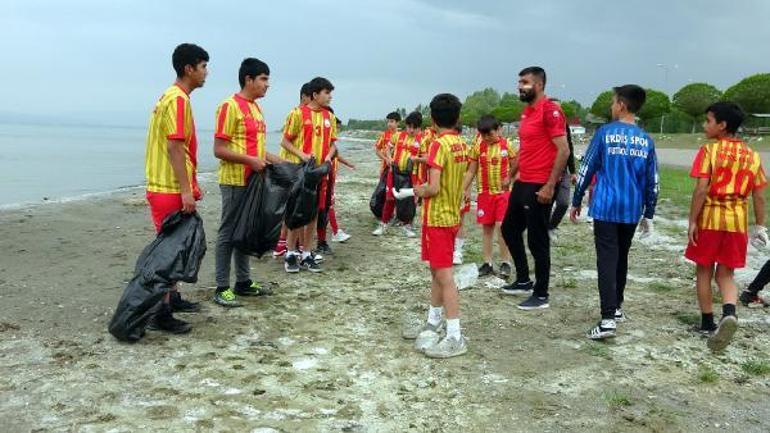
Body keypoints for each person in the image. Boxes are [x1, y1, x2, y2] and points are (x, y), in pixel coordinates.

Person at [570, 85, 658, 340]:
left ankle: (607, 319)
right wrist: (649, 213)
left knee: (607, 259)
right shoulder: (645, 139)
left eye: (612, 102)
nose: (611, 107)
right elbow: (653, 180)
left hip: (607, 208)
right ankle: (616, 306)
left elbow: (586, 168)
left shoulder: (604, 134)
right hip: (631, 209)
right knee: (621, 257)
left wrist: (577, 200)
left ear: (621, 104)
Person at [684, 101, 767, 352]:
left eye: (708, 121)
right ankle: (729, 313)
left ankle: (707, 323)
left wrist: (692, 221)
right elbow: (759, 195)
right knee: (726, 274)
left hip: (710, 220)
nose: (704, 125)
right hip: (737, 224)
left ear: (722, 125)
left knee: (704, 272)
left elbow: (701, 190)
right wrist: (760, 226)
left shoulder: (709, 152)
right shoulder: (753, 156)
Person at [143, 43, 209, 333]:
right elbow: (174, 146)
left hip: (166, 185)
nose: (207, 72)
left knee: (177, 247)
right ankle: (161, 312)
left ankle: (174, 297)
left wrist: (191, 185)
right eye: (203, 66)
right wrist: (184, 190)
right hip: (167, 188)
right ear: (189, 69)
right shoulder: (178, 99)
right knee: (169, 251)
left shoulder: (169, 97)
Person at [211, 58, 282, 307]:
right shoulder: (229, 106)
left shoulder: (256, 109)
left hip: (255, 181)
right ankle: (221, 287)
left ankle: (243, 282)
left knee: (245, 231)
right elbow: (218, 149)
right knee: (228, 233)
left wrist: (282, 163)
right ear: (248, 79)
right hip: (234, 181)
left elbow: (259, 150)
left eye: (267, 79)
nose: (267, 85)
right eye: (263, 79)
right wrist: (249, 160)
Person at [500, 66, 570, 310]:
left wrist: (550, 185)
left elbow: (563, 150)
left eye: (525, 82)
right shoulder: (527, 112)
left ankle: (541, 294)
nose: (520, 86)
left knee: (538, 240)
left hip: (540, 183)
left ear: (539, 85)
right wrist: (510, 174)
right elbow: (525, 147)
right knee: (509, 230)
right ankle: (523, 279)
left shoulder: (550, 110)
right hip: (523, 181)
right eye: (519, 82)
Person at [411, 93, 469, 358]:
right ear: (457, 118)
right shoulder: (460, 144)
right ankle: (433, 321)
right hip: (452, 216)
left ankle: (455, 335)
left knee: (445, 277)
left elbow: (433, 187)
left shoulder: (437, 145)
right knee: (436, 271)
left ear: (432, 120)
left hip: (437, 218)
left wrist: (417, 190)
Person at [279, 77, 338, 273]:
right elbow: (285, 142)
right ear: (315, 94)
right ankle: (289, 253)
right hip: (300, 172)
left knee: (314, 213)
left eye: (330, 93)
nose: (330, 97)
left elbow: (332, 144)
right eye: (326, 93)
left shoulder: (329, 117)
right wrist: (303, 155)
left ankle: (306, 253)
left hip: (320, 173)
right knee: (297, 212)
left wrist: (329, 157)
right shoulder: (297, 114)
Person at [462, 115, 515, 278]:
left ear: (498, 129)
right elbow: (471, 170)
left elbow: (517, 168)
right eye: (483, 135)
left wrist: (511, 179)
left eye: (489, 134)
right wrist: (464, 189)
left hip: (503, 194)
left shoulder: (508, 146)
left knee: (502, 227)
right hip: (484, 194)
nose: (486, 138)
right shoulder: (478, 147)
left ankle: (506, 262)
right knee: (487, 229)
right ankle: (487, 263)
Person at [274, 82, 312, 258]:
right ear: (304, 96)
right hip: (290, 166)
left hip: (300, 168)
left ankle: (291, 245)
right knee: (292, 209)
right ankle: (283, 245)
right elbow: (286, 141)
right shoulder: (296, 114)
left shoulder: (310, 115)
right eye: (311, 97)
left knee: (296, 209)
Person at [379, 111, 422, 237]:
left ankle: (407, 226)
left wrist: (416, 160)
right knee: (389, 198)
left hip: (410, 175)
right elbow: (387, 147)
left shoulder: (422, 140)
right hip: (394, 172)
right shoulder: (398, 136)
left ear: (419, 128)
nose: (411, 130)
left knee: (409, 201)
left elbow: (426, 157)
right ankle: (383, 224)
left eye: (414, 127)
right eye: (409, 127)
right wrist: (389, 158)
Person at [316, 117, 355, 253]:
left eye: (338, 128)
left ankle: (332, 232)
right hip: (325, 177)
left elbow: (337, 155)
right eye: (336, 127)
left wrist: (348, 163)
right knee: (328, 206)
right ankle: (335, 231)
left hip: (331, 177)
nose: (337, 130)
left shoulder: (331, 142)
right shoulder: (323, 140)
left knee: (329, 205)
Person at [372, 112, 402, 235]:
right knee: (385, 192)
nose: (390, 124)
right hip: (385, 169)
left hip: (399, 170)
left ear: (398, 122)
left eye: (392, 121)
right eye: (388, 121)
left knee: (397, 192)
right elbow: (377, 149)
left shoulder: (402, 135)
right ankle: (385, 215)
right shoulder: (384, 135)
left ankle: (397, 216)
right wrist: (385, 159)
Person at [548, 119, 577, 242]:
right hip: (546, 171)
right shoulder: (543, 126)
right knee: (546, 203)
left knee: (564, 202)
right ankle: (542, 230)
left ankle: (551, 226)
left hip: (563, 171)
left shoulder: (564, 126)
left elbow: (569, 148)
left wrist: (573, 171)